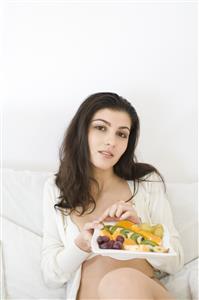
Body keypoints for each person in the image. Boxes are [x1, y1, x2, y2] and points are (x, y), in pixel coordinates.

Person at [41, 92, 184, 299]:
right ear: (82, 131)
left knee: (120, 282)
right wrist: (81, 244)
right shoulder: (56, 189)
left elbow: (176, 261)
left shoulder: (146, 183)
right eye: (101, 128)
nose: (111, 141)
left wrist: (141, 233)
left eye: (122, 134)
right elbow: (50, 275)